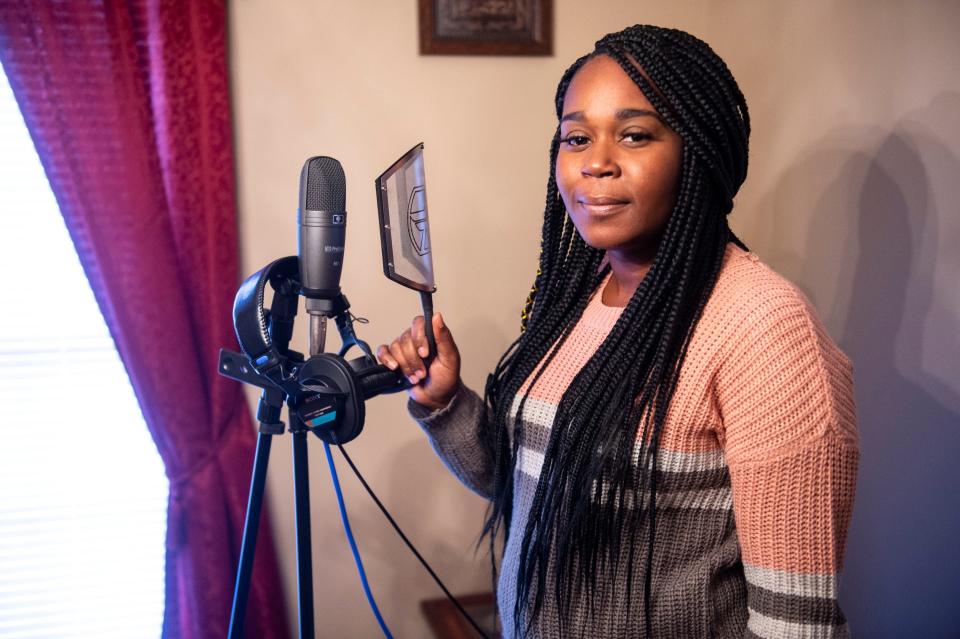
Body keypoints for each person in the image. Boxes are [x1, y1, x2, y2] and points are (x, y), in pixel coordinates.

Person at [377, 24, 858, 639]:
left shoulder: (765, 329)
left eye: (634, 135)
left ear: (698, 151)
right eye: (576, 137)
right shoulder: (575, 294)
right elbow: (525, 485)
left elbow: (798, 624)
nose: (596, 163)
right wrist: (445, 402)